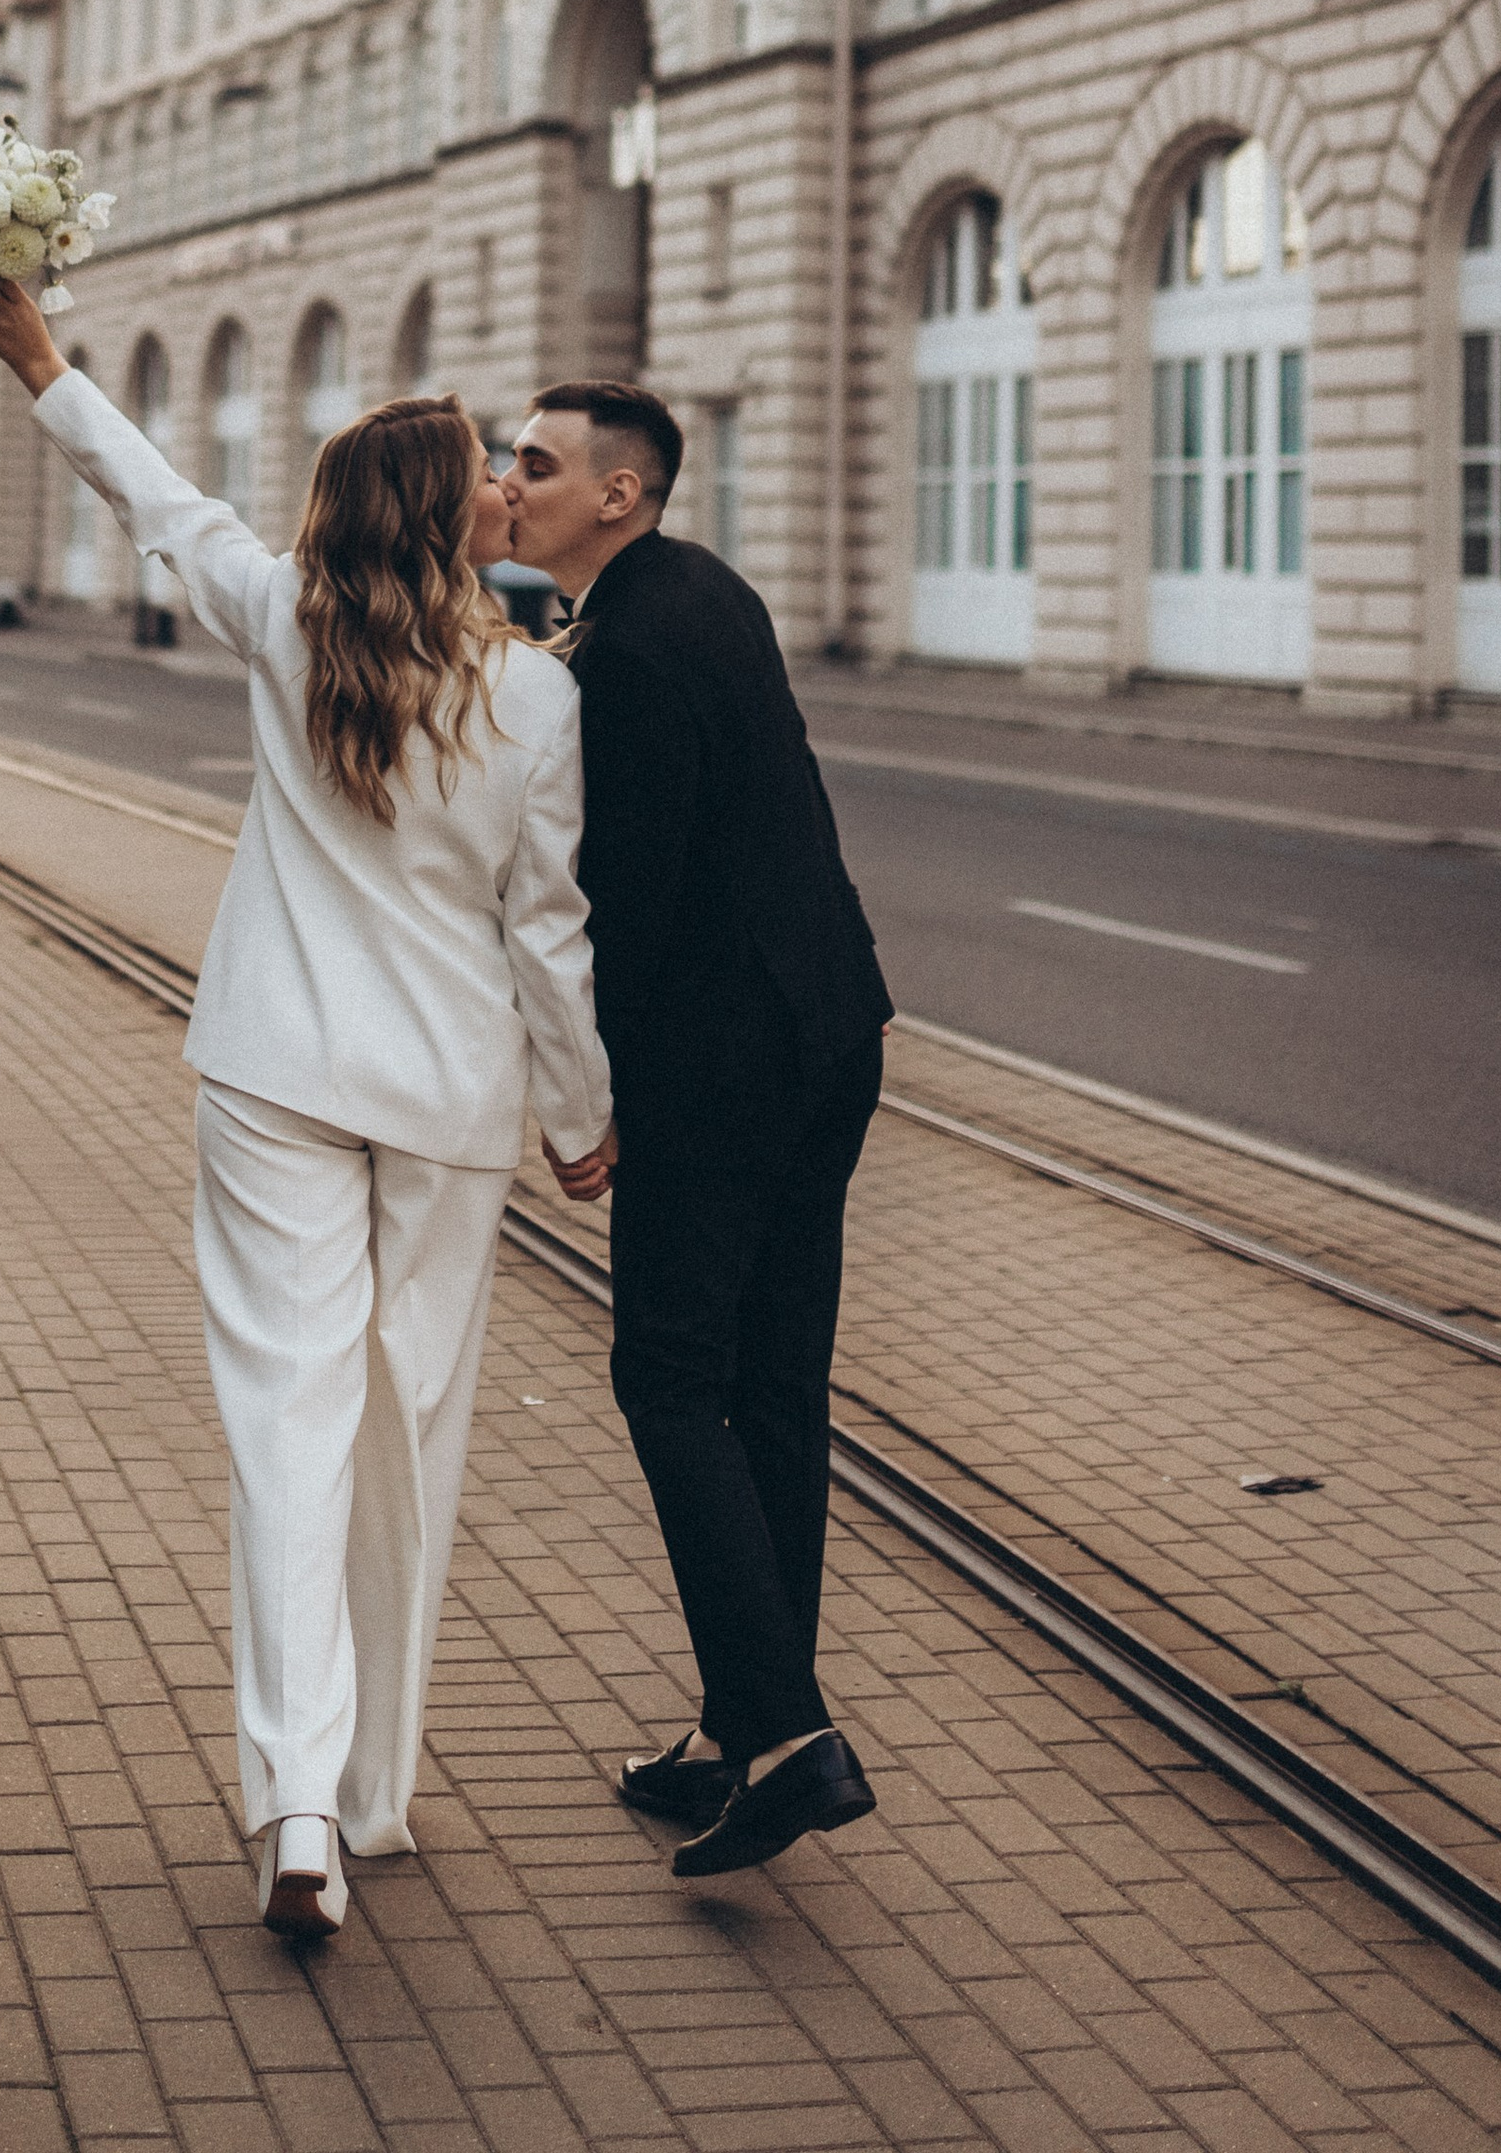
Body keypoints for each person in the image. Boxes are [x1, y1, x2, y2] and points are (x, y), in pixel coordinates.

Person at [0, 279, 615, 1937]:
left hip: (273, 1077)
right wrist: (578, 1109)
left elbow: (158, 497)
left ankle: (300, 1807)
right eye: (483, 468)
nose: (503, 487)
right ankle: (367, 1790)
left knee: (288, 1436)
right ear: (436, 508)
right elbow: (551, 930)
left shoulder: (287, 623)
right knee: (406, 1430)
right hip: (449, 1100)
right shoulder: (538, 698)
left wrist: (49, 367)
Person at [503, 380, 894, 1881]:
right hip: (829, 1029)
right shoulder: (707, 592)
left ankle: (788, 1733)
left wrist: (587, 1104)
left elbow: (627, 911)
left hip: (721, 1064)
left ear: (620, 490)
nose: (511, 481)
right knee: (777, 1389)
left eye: (536, 462)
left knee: (669, 1374)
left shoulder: (622, 653)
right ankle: (746, 1727)